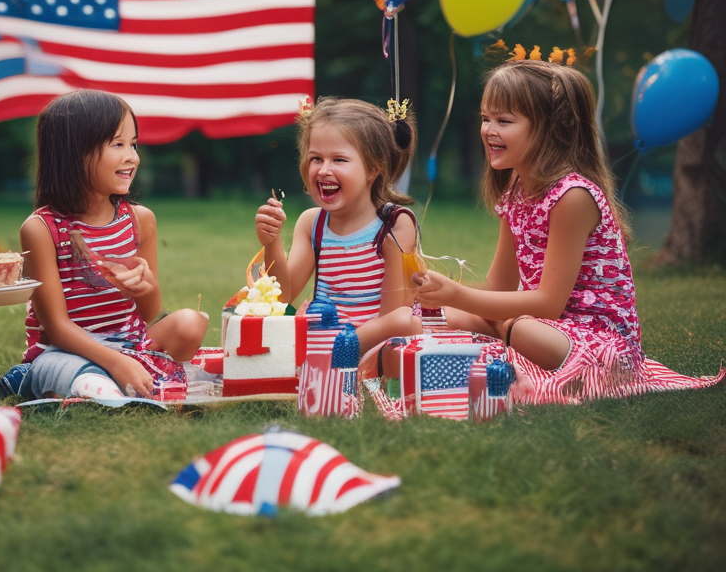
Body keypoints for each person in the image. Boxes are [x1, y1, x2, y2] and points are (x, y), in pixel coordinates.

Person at [363, 57, 724, 402]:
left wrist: (458, 296)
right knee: (430, 317)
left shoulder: (574, 197)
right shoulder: (516, 191)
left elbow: (549, 304)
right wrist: (438, 292)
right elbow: (497, 287)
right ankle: (465, 348)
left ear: (551, 129)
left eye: (504, 120)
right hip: (531, 326)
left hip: (596, 343)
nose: (488, 130)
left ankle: (481, 350)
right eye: (486, 118)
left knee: (517, 327)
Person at [0, 90, 207, 401]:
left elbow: (148, 314)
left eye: (133, 144)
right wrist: (117, 363)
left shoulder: (139, 220)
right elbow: (55, 327)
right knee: (93, 385)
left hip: (129, 342)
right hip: (64, 350)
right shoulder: (41, 229)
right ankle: (36, 378)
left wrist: (144, 288)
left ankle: (119, 376)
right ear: (73, 153)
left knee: (190, 323)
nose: (132, 156)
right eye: (117, 144)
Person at [254, 97, 419, 350]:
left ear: (374, 168)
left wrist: (343, 347)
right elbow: (283, 297)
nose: (323, 170)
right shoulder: (313, 224)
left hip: (371, 347)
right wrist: (271, 242)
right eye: (316, 159)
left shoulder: (395, 224)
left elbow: (391, 318)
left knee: (405, 320)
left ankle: (328, 357)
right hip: (322, 337)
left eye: (339, 160)